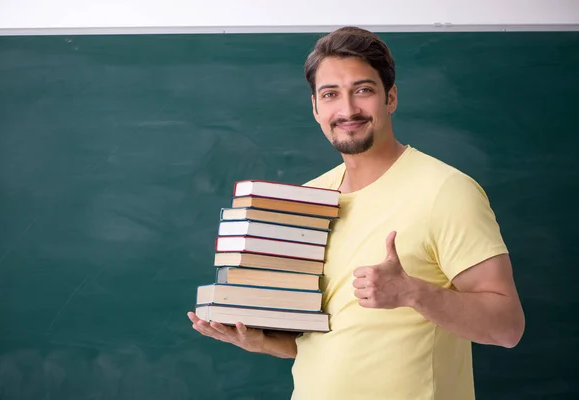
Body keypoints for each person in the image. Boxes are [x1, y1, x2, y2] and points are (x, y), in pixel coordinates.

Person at [187, 26, 525, 400]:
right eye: (331, 94)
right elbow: (328, 340)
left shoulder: (446, 191)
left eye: (363, 90)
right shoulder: (306, 201)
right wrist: (264, 341)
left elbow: (507, 328)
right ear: (316, 107)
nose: (347, 110)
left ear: (390, 97)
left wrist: (413, 292)